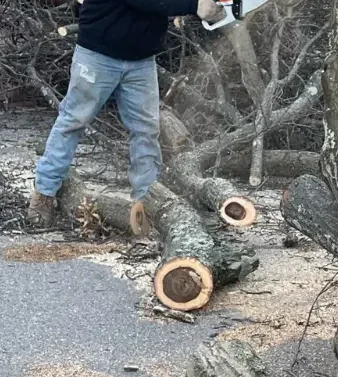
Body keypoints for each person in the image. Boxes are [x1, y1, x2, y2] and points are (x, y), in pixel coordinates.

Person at [27, 0, 227, 227]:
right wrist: (194, 5)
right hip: (97, 53)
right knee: (73, 121)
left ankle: (149, 200)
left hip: (141, 59)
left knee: (146, 131)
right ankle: (44, 193)